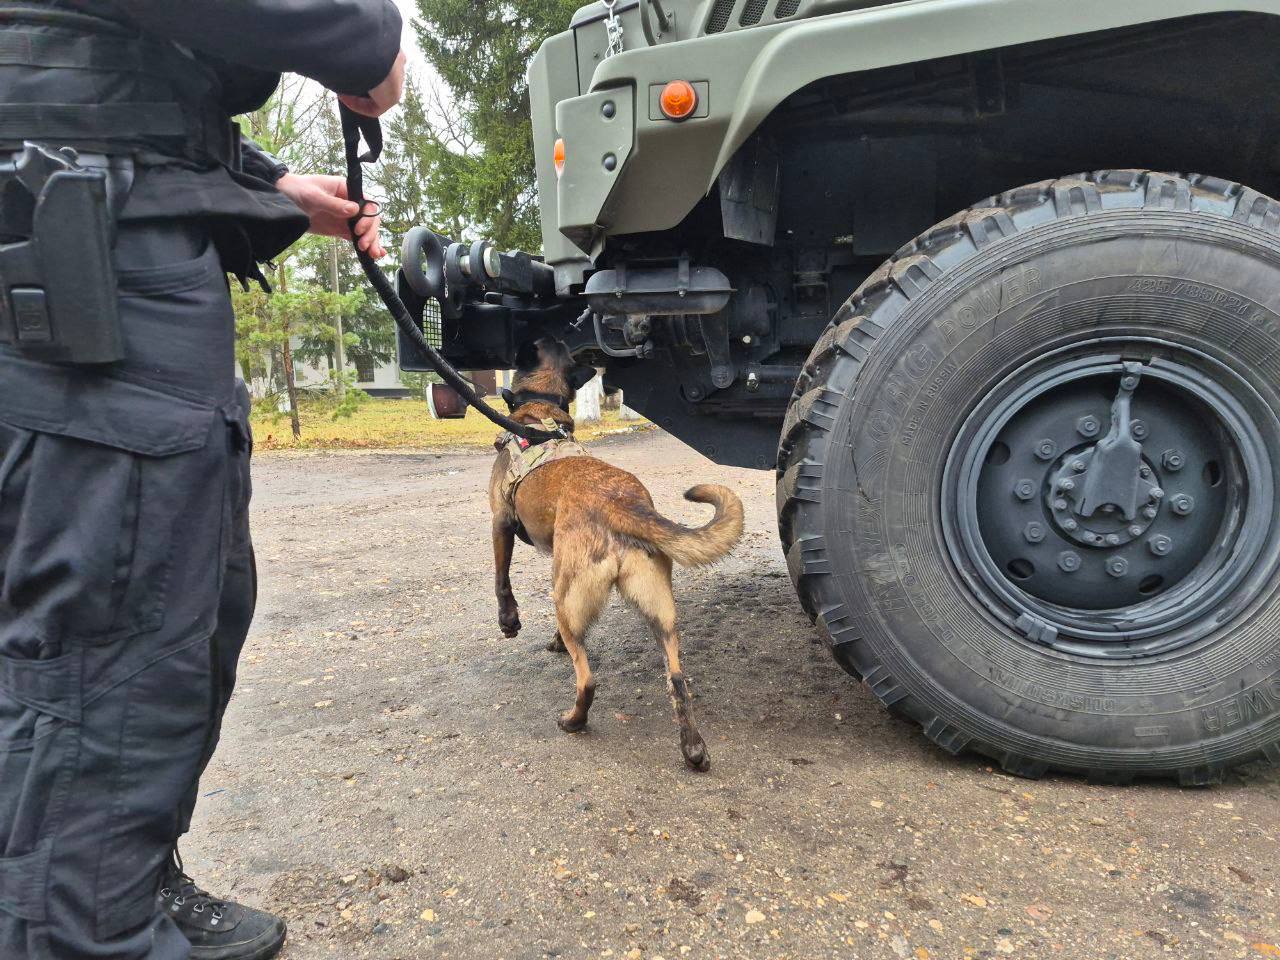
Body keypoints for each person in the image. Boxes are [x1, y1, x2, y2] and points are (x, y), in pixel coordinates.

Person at [0, 2, 405, 958]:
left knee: (174, 609)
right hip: (83, 256)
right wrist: (363, 40)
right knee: (112, 646)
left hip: (96, 208)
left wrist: (264, 185)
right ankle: (90, 923)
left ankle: (122, 880)